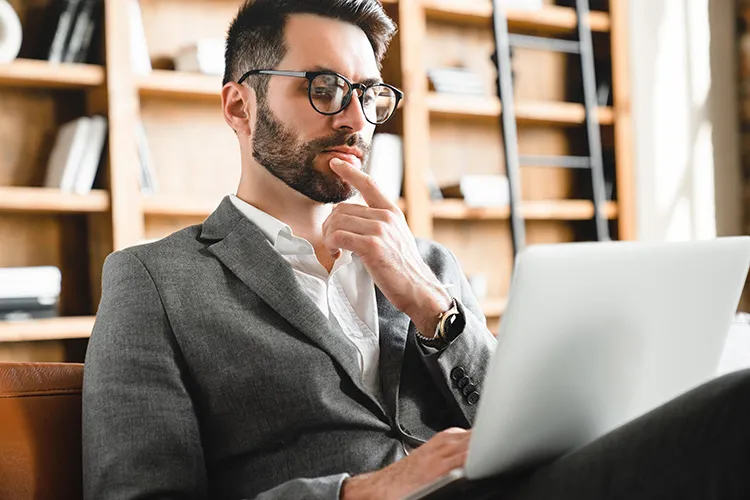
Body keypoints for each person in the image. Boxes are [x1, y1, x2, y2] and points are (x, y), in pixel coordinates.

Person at [82, 1, 750, 499]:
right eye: (323, 89)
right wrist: (365, 489)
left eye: (369, 94)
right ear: (239, 108)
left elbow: (519, 425)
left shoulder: (426, 264)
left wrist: (435, 309)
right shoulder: (154, 281)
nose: (353, 118)